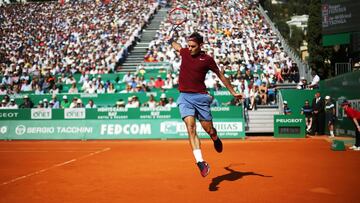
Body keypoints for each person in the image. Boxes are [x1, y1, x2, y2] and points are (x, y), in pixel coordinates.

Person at [169, 32, 242, 177]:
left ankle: (215, 138)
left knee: (209, 129)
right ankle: (200, 162)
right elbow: (176, 46)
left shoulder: (207, 59)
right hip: (184, 96)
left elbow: (220, 75)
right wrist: (171, 39)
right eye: (188, 46)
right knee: (190, 127)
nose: (189, 48)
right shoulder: (184, 52)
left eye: (193, 46)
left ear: (201, 45)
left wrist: (233, 92)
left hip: (201, 98)